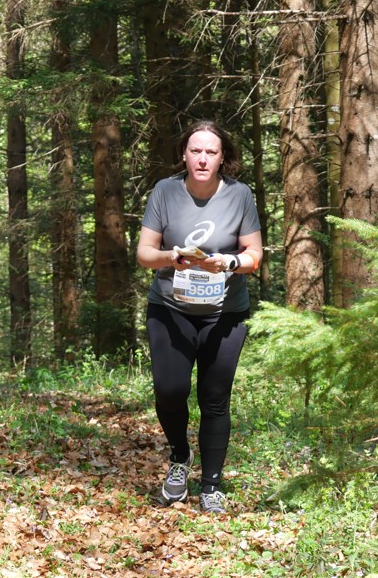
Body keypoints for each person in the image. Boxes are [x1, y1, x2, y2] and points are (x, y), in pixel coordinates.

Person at [136, 120, 263, 514]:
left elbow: (254, 256)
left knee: (214, 399)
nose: (203, 158)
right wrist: (170, 257)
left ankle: (211, 484)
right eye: (196, 151)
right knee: (169, 391)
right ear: (184, 155)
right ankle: (179, 457)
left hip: (224, 315)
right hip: (170, 310)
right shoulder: (165, 191)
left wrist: (230, 261)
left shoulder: (240, 196)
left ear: (223, 157)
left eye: (211, 151)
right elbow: (144, 254)